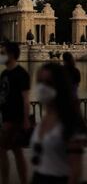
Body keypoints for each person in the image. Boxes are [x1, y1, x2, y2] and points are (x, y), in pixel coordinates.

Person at [30, 63, 87, 184]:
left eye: (48, 83)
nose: (42, 87)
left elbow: (76, 170)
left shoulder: (70, 121)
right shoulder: (44, 119)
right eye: (39, 82)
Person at [0, 42, 30, 184]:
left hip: (15, 119)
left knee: (11, 151)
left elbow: (25, 99)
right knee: (15, 152)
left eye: (3, 53)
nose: (1, 56)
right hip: (5, 118)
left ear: (11, 55)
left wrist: (25, 120)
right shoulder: (4, 73)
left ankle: (8, 180)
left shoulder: (21, 74)